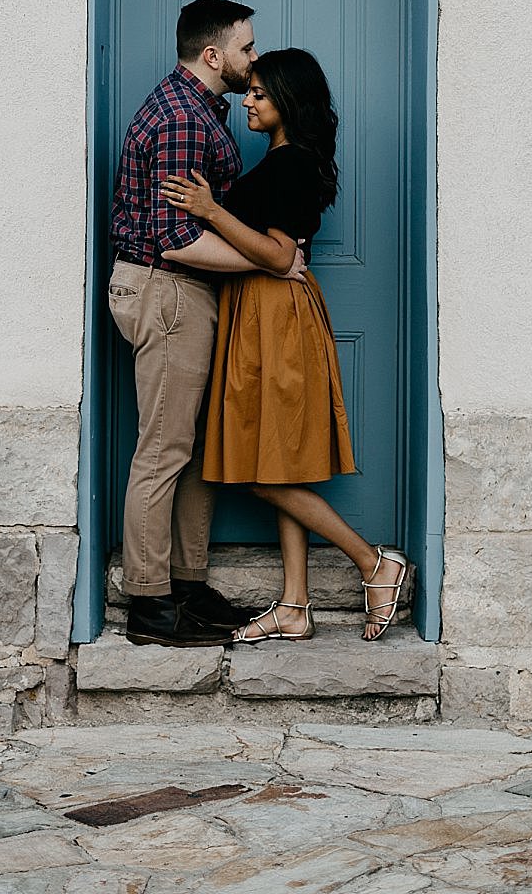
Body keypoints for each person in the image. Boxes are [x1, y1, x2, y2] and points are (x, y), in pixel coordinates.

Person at [161, 48, 408, 643]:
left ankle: (375, 563)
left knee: (263, 470)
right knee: (276, 459)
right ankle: (295, 605)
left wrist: (211, 211)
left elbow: (276, 255)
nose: (247, 99)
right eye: (250, 91)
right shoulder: (285, 160)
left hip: (275, 314)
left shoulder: (290, 164)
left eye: (261, 94)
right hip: (260, 312)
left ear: (288, 103)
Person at [108, 0, 305, 649]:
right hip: (168, 290)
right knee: (164, 451)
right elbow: (174, 238)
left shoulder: (197, 111)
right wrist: (271, 266)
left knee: (189, 452)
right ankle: (149, 604)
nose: (254, 62)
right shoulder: (181, 120)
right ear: (213, 54)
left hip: (187, 295)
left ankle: (185, 586)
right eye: (247, 49)